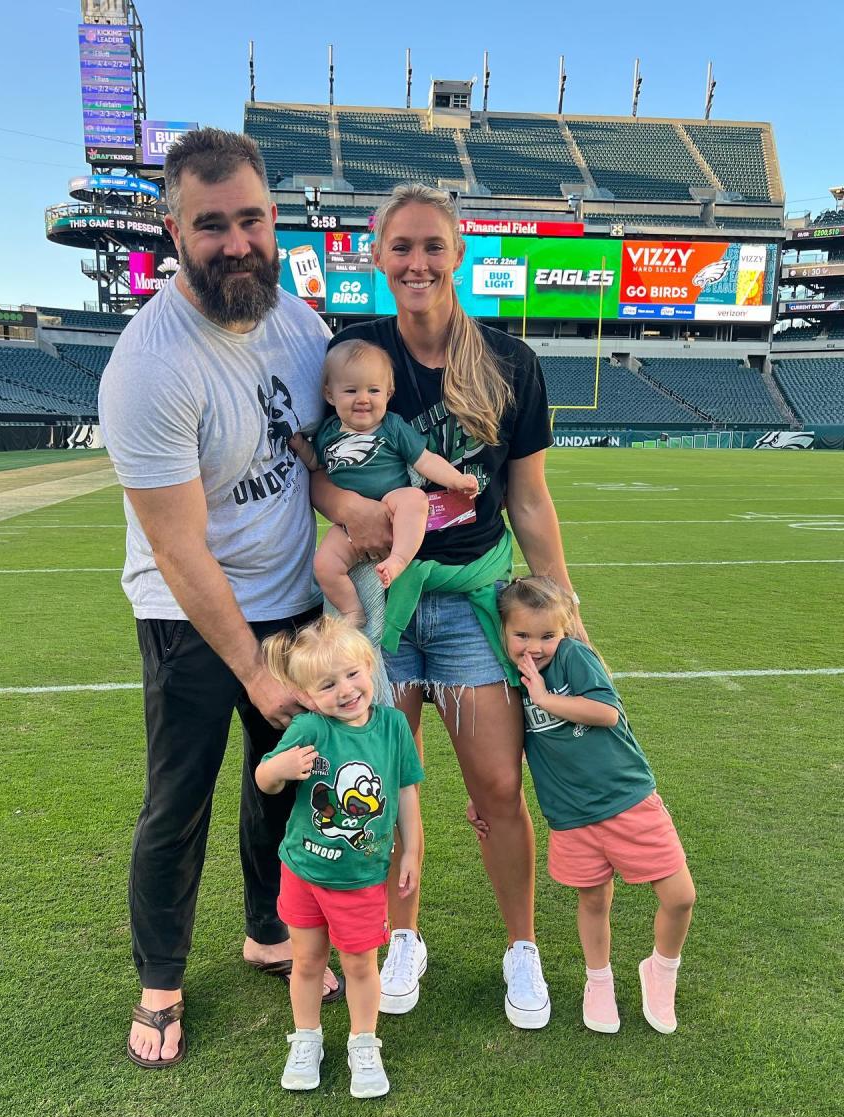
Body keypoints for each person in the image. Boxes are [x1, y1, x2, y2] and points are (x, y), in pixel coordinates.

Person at [310, 183, 585, 1027]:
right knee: (381, 780)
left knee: (499, 786)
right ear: (377, 254)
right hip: (380, 599)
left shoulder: (511, 362)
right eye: (402, 248)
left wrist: (564, 600)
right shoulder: (353, 352)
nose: (418, 262)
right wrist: (348, 509)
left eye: (433, 246)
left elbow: (529, 500)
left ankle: (522, 951)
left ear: (459, 252)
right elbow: (314, 465)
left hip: (473, 602)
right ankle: (404, 939)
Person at [98, 127, 342, 1069]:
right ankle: (161, 978)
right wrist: (251, 665)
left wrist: (365, 515)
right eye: (211, 226)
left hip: (292, 604)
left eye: (249, 219)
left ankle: (267, 931)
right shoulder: (150, 364)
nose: (236, 242)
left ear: (274, 217)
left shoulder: (298, 321)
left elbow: (311, 455)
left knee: (279, 787)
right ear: (173, 230)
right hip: (189, 615)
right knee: (180, 798)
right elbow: (176, 544)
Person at [493, 576, 696, 1034]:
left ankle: (660, 972)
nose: (536, 646)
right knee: (593, 899)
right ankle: (598, 980)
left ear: (563, 631)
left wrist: (546, 697)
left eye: (548, 635)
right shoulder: (511, 679)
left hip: (627, 800)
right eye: (522, 635)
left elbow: (607, 713)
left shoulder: (573, 658)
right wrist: (486, 797)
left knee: (680, 896)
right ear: (503, 631)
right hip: (571, 817)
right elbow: (513, 745)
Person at [255, 616, 423, 1097]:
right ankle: (306, 1039)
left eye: (352, 674)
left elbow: (407, 793)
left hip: (361, 877)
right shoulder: (309, 727)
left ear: (369, 667)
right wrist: (279, 767)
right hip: (304, 871)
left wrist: (411, 848)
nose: (346, 691)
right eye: (327, 685)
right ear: (307, 695)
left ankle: (363, 1044)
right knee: (307, 962)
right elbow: (265, 779)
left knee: (360, 966)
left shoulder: (393, 727)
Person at [289, 338, 478, 624]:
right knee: (324, 565)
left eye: (373, 390)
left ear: (388, 394)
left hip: (391, 505)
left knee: (414, 499)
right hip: (349, 526)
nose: (363, 398)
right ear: (330, 395)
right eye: (351, 390)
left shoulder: (391, 426)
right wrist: (301, 447)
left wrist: (456, 479)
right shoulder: (328, 432)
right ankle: (353, 611)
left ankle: (398, 559)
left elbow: (424, 460)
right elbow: (317, 465)